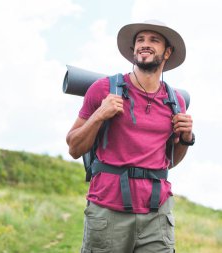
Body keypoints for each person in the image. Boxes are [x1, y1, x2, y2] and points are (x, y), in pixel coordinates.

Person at [66, 20, 194, 253]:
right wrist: (99, 115)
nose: (145, 45)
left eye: (153, 40)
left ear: (167, 52)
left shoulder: (176, 101)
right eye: (140, 40)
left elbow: (171, 162)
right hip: (107, 211)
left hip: (157, 214)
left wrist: (185, 138)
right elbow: (74, 148)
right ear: (133, 50)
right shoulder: (103, 89)